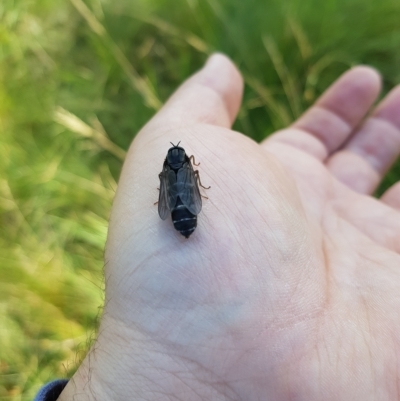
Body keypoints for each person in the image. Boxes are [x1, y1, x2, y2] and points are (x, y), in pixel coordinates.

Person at [36, 54, 400, 401]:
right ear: (185, 161)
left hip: (181, 212)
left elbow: (172, 187)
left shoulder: (168, 168)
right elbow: (188, 183)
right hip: (185, 212)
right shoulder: (184, 167)